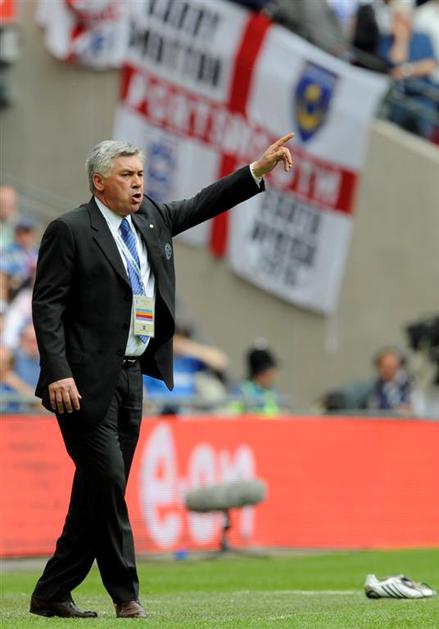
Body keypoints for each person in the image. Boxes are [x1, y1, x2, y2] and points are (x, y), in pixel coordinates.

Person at [30, 134, 294, 619]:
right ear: (99, 182)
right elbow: (46, 307)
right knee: (109, 481)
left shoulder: (150, 218)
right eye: (127, 175)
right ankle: (126, 595)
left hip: (133, 378)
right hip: (81, 384)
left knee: (96, 490)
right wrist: (57, 373)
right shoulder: (69, 230)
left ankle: (52, 591)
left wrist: (256, 171)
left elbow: (202, 203)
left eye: (140, 174)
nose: (138, 183)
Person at [233, 342, 281, 417]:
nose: (274, 375)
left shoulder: (271, 391)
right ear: (261, 373)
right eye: (271, 371)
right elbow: (233, 416)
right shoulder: (241, 391)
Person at [367, 347, 413, 412]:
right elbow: (372, 408)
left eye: (392, 367)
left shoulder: (408, 384)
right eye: (385, 367)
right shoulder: (375, 386)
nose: (388, 370)